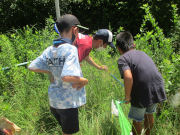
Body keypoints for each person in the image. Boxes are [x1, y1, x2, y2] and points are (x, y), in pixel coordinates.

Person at [28, 14, 89, 135]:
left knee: (65, 130)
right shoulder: (70, 49)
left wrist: (52, 70)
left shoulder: (50, 49)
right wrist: (84, 81)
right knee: (68, 132)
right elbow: (66, 77)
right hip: (67, 103)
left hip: (54, 102)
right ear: (74, 29)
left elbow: (32, 66)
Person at [116, 31, 166, 135]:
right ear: (133, 45)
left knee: (137, 119)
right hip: (157, 86)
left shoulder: (123, 59)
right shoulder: (142, 53)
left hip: (143, 90)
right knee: (149, 113)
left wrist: (127, 97)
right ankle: (147, 133)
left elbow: (128, 77)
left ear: (119, 49)